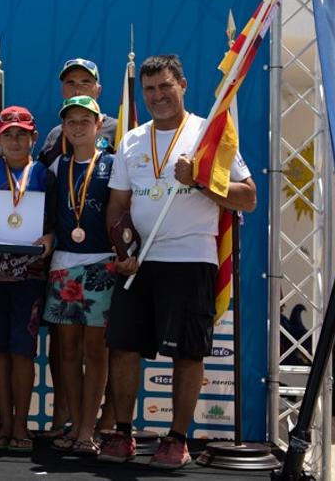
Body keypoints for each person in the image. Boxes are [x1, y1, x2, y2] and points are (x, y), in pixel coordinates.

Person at [100, 54, 256, 469]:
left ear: (183, 85)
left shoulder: (210, 135)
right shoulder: (132, 140)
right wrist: (122, 251)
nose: (157, 96)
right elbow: (117, 206)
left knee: (187, 353)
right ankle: (122, 431)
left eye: (165, 86)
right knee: (122, 347)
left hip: (191, 260)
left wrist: (201, 180)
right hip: (140, 264)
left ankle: (176, 438)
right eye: (149, 89)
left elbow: (249, 198)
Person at [35, 57, 116, 440]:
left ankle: (89, 427)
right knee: (65, 350)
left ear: (99, 123)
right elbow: (43, 208)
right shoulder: (54, 161)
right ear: (64, 125)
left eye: (86, 121)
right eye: (72, 121)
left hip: (103, 265)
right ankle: (68, 423)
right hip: (64, 264)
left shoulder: (115, 161)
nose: (78, 126)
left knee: (96, 351)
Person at [0, 105, 53, 453]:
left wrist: (52, 239)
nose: (14, 140)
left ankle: (21, 425)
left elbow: (57, 223)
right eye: (7, 134)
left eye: (21, 134)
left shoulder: (46, 175)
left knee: (23, 352)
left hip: (29, 277)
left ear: (33, 137)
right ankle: (4, 422)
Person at [37, 58, 118, 167]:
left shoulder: (116, 129)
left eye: (85, 83)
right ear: (62, 90)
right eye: (71, 83)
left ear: (98, 90)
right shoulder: (55, 135)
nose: (77, 91)